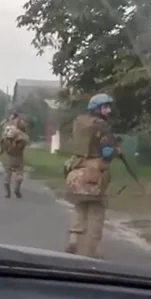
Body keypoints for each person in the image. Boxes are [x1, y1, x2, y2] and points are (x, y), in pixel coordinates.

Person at [64, 93, 120, 258]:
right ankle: (93, 251)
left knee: (80, 206)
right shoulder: (101, 125)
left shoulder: (79, 122)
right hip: (94, 173)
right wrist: (116, 150)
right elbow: (107, 152)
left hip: (76, 170)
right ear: (97, 108)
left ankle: (73, 238)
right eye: (105, 107)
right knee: (97, 210)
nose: (108, 110)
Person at [0, 124, 30, 198]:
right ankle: (15, 190)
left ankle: (9, 192)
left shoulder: (7, 140)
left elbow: (3, 148)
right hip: (17, 159)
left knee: (9, 177)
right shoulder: (21, 139)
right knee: (16, 177)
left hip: (11, 159)